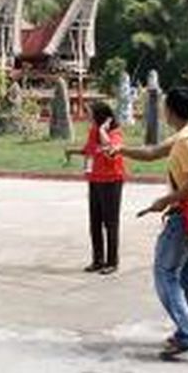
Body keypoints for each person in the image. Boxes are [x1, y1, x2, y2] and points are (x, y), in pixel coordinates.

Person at [111, 86, 188, 360]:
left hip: (184, 216)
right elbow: (153, 152)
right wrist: (120, 150)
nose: (163, 110)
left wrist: (166, 200)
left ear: (171, 111)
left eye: (166, 106)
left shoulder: (186, 142)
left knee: (165, 273)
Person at [65, 101, 126, 275]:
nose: (87, 116)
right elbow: (89, 150)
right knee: (95, 222)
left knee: (110, 223)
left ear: (100, 116)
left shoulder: (114, 133)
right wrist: (72, 151)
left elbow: (110, 150)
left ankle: (112, 262)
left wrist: (102, 131)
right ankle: (98, 260)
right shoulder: (93, 132)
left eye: (90, 113)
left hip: (112, 181)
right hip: (95, 181)